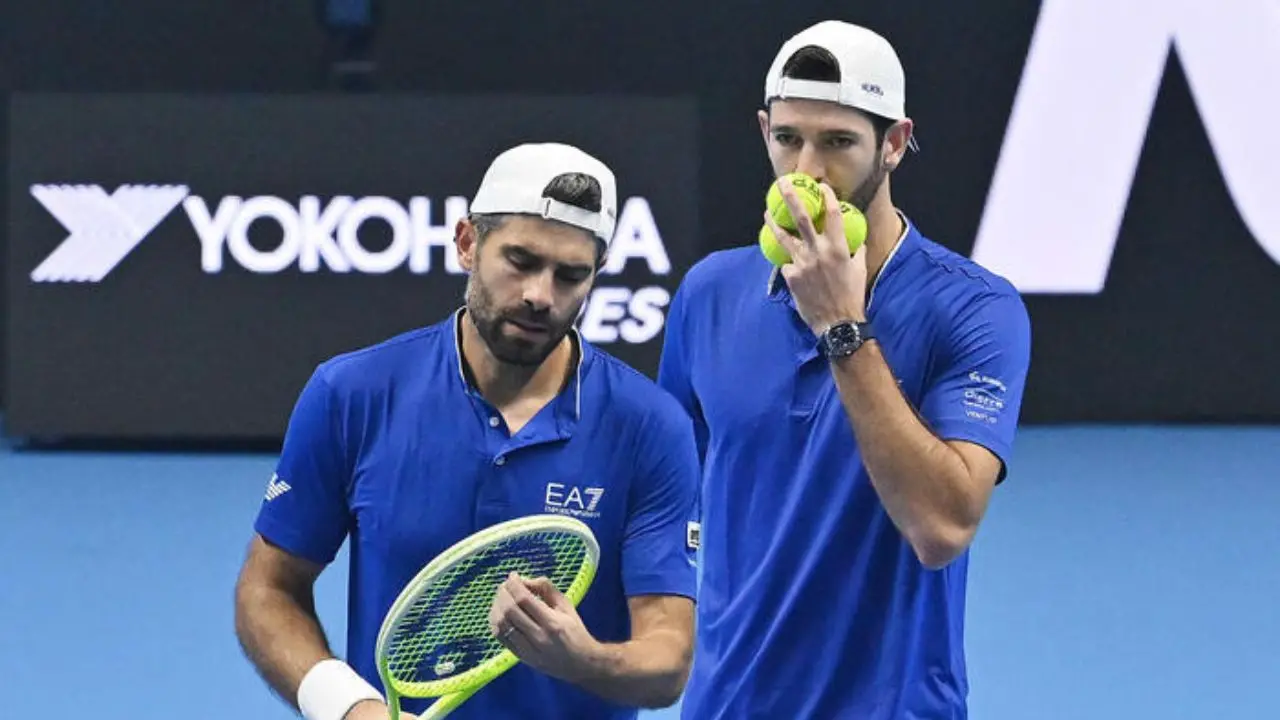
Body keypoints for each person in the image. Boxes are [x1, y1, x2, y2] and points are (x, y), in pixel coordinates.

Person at [234, 142, 700, 720]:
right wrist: (349, 707)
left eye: (570, 275)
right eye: (521, 261)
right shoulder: (351, 394)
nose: (540, 295)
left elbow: (668, 660)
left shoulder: (651, 428)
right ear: (467, 243)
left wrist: (581, 659)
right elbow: (269, 590)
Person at [657, 20, 1033, 719]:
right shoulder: (708, 294)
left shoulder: (977, 310)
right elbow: (671, 504)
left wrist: (842, 327)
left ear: (893, 144)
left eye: (838, 143)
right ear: (763, 129)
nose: (807, 170)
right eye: (788, 138)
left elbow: (943, 527)